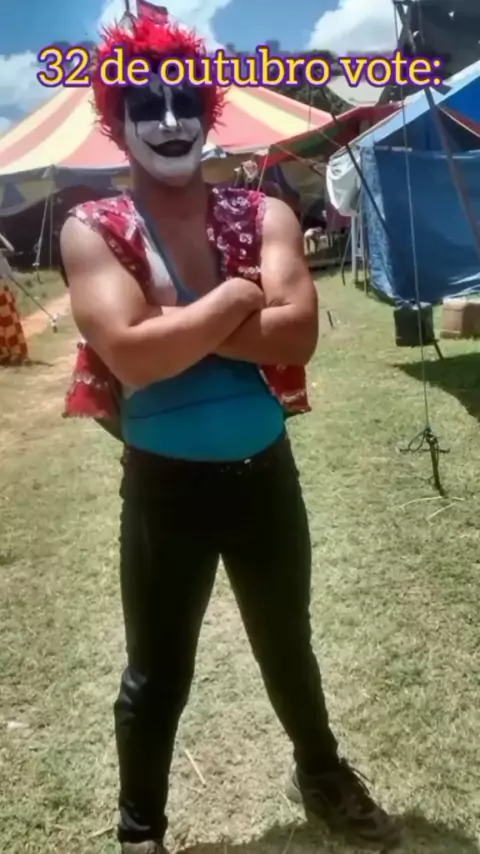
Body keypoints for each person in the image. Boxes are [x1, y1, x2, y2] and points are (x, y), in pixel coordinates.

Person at [60, 16, 399, 854]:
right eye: (146, 104)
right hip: (164, 489)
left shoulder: (263, 211)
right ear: (117, 118)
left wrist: (173, 322)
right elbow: (133, 357)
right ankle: (140, 831)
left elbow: (298, 337)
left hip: (264, 475)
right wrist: (240, 297)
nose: (170, 119)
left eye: (185, 101)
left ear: (209, 110)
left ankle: (322, 774)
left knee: (288, 646)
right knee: (157, 673)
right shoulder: (93, 226)